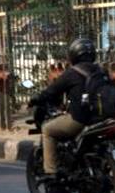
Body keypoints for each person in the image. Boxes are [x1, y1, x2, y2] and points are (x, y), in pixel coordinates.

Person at [29, 37, 99, 177]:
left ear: (73, 55)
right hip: (103, 119)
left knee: (47, 129)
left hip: (81, 120)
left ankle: (51, 172)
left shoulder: (72, 73)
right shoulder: (101, 72)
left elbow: (51, 91)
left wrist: (36, 99)